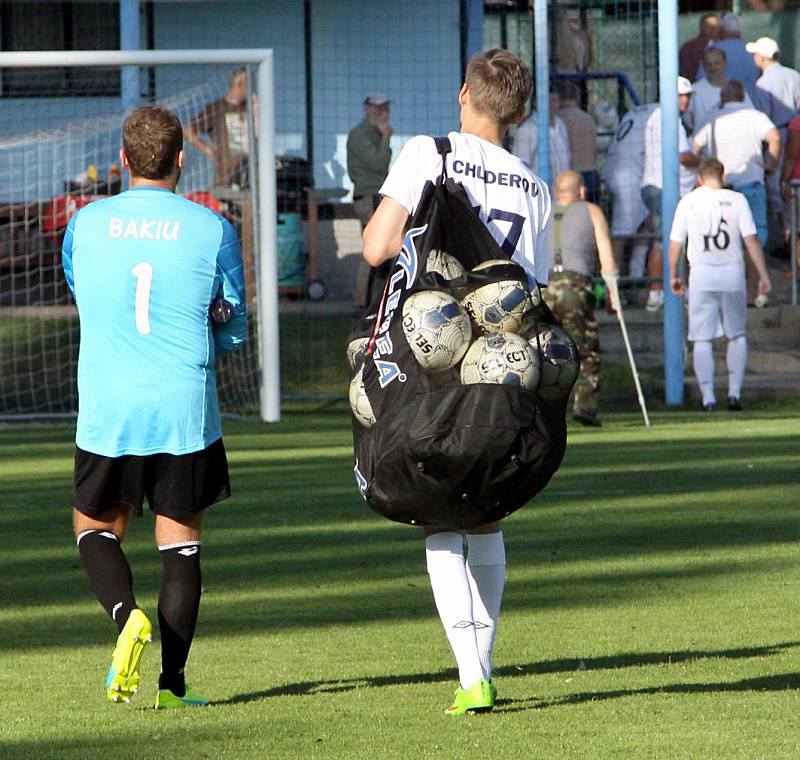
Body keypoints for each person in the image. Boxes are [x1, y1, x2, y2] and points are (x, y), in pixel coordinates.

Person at [363, 48, 550, 716]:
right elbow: (534, 286)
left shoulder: (429, 150)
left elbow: (378, 246)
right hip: (510, 365)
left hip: (442, 356)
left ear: (464, 92)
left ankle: (473, 674)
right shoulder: (534, 184)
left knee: (436, 505)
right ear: (521, 111)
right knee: (488, 510)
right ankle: (483, 663)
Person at [62, 105, 248, 709]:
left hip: (109, 405)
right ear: (180, 159)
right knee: (180, 542)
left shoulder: (86, 223)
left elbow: (81, 291)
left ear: (123, 161)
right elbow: (235, 326)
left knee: (94, 528)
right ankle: (172, 685)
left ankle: (126, 618)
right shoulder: (212, 226)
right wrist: (208, 339)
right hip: (182, 407)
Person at [668, 158, 771, 410]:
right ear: (722, 177)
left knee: (702, 337)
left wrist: (673, 274)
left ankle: (708, 397)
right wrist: (763, 275)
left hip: (702, 275)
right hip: (733, 274)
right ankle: (734, 393)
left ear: (699, 178)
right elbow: (751, 240)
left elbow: (675, 244)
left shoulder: (688, 202)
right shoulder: (736, 200)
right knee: (736, 334)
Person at [543, 171, 619, 427]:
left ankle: (541, 406)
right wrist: (613, 294)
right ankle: (585, 405)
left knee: (543, 347)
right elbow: (606, 257)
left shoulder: (544, 212)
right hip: (576, 285)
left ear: (557, 191)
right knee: (585, 348)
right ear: (582, 192)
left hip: (544, 284)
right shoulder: (592, 211)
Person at [692, 79, 780, 250]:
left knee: (725, 232)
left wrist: (703, 171)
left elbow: (694, 147)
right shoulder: (755, 116)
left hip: (722, 184)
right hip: (751, 181)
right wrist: (771, 165)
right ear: (742, 97)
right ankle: (754, 271)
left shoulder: (712, 118)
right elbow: (775, 137)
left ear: (723, 97)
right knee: (755, 232)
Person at [640, 77, 702, 312]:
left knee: (666, 239)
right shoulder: (669, 117)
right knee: (665, 240)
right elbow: (683, 156)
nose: (684, 100)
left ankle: (663, 291)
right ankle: (657, 293)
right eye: (680, 95)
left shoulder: (657, 114)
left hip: (654, 185)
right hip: (661, 187)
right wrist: (705, 163)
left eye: (687, 96)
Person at [347, 92, 393, 308]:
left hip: (377, 195)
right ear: (367, 109)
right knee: (373, 249)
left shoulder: (373, 132)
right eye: (378, 108)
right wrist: (386, 138)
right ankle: (362, 304)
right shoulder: (360, 134)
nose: (384, 112)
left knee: (384, 250)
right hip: (368, 197)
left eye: (385, 108)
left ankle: (378, 301)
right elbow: (379, 164)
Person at [602, 103, 657, 286]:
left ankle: (636, 274)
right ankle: (613, 286)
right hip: (628, 176)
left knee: (647, 223)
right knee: (621, 232)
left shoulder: (638, 109)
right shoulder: (660, 114)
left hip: (619, 169)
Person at [184, 68, 254, 188]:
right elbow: (187, 130)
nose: (252, 90)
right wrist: (208, 150)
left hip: (250, 173)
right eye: (251, 86)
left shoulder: (250, 108)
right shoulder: (217, 108)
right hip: (227, 174)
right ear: (241, 85)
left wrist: (256, 107)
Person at [512, 88, 571, 191]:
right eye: (548, 100)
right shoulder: (527, 129)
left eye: (555, 100)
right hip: (540, 193)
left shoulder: (560, 124)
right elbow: (520, 166)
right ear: (536, 102)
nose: (552, 105)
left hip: (563, 195)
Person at [685, 48, 753, 134]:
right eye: (708, 64)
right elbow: (687, 118)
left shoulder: (737, 88)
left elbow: (750, 112)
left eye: (717, 63)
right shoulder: (695, 89)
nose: (713, 67)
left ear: (725, 63)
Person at [556, 81, 600, 201]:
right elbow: (595, 149)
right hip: (591, 172)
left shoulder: (558, 119)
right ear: (577, 97)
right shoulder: (588, 118)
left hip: (571, 175)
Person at [696, 13, 760, 93]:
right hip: (747, 100)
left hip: (718, 99)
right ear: (740, 32)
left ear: (722, 29)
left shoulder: (713, 49)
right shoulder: (752, 52)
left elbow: (701, 77)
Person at [679, 13, 721, 82]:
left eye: (716, 26)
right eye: (709, 26)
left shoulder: (724, 47)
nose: (713, 29)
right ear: (701, 27)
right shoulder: (688, 48)